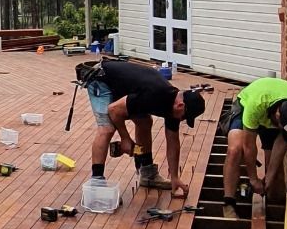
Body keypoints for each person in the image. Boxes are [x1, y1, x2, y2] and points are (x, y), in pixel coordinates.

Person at [78, 59, 205, 198]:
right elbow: (114, 110)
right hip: (101, 79)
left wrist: (175, 177)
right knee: (107, 128)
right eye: (184, 117)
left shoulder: (173, 107)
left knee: (145, 122)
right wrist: (125, 138)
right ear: (180, 106)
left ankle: (148, 174)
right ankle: (97, 182)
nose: (182, 120)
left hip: (126, 87)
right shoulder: (155, 94)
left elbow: (173, 142)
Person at [221, 77, 287, 213]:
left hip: (272, 116)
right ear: (278, 116)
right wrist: (253, 179)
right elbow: (249, 146)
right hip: (246, 105)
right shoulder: (255, 105)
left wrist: (269, 178)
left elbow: (282, 142)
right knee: (235, 149)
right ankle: (229, 203)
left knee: (274, 176)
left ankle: (270, 196)